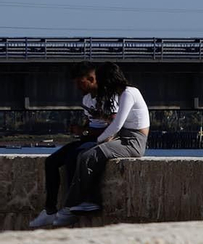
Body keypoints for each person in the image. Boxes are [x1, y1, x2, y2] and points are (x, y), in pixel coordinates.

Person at [35, 62, 149, 228]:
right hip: (124, 138)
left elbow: (117, 125)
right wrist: (88, 129)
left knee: (87, 155)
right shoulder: (119, 94)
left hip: (133, 141)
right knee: (75, 157)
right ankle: (71, 206)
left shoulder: (128, 93)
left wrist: (97, 140)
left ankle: (74, 206)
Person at [30, 62, 110, 228]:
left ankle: (71, 207)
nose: (77, 87)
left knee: (74, 157)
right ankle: (50, 210)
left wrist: (85, 131)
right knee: (51, 162)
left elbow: (112, 127)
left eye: (81, 83)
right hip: (88, 138)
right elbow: (90, 122)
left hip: (102, 139)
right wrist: (80, 129)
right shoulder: (86, 99)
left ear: (92, 78)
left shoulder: (108, 97)